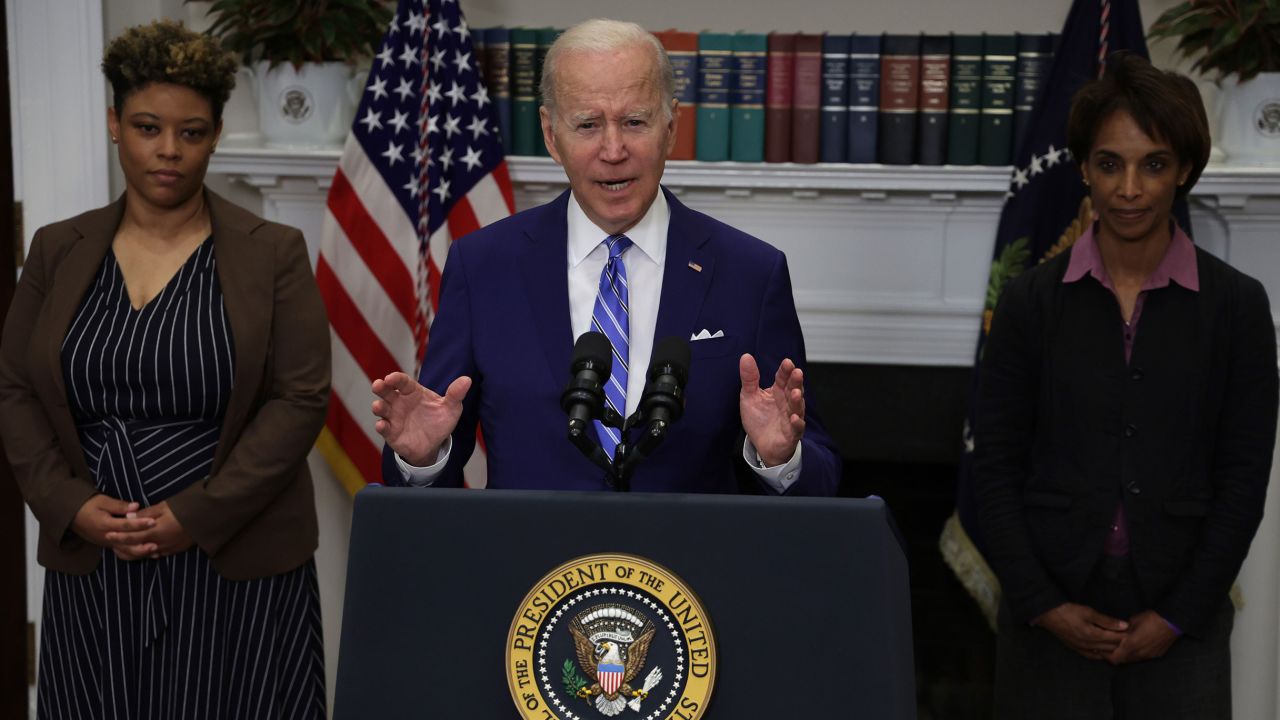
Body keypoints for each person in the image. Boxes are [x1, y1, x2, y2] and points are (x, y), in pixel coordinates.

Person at [0, 20, 330, 719]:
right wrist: (65, 504)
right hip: (96, 559)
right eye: (149, 128)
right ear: (115, 123)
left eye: (193, 132)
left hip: (237, 558)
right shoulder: (58, 249)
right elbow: (18, 390)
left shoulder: (272, 251)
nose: (170, 152)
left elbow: (299, 400)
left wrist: (196, 513)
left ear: (214, 135)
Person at [372, 18, 840, 494]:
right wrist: (424, 457)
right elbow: (429, 480)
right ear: (552, 136)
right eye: (588, 125)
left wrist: (779, 458)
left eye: (634, 122)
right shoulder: (484, 266)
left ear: (671, 127)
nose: (613, 150)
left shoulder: (751, 273)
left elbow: (820, 478)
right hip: (533, 565)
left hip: (687, 566)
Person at [974, 52, 1278, 719]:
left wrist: (1175, 616)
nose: (1130, 188)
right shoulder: (1029, 302)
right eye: (1110, 164)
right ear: (1084, 168)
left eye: (1154, 164)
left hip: (1183, 631)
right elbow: (990, 470)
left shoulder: (1238, 308)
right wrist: (1046, 606)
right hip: (1044, 625)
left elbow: (1242, 482)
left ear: (1186, 172)